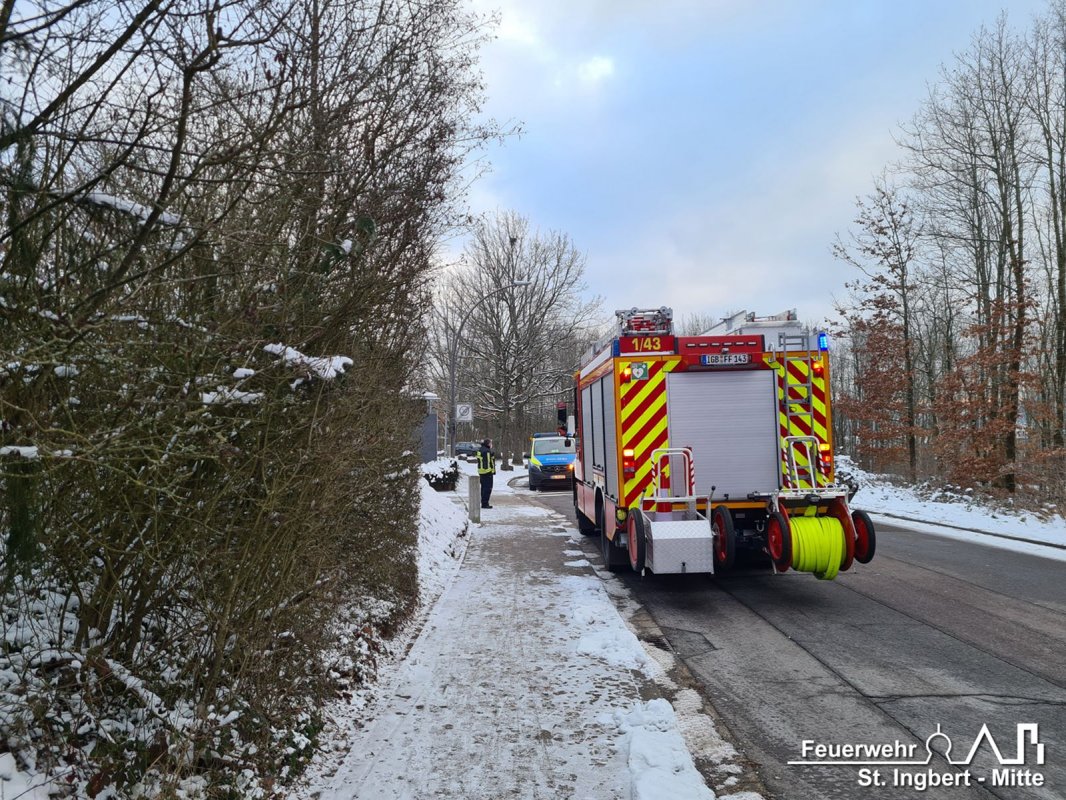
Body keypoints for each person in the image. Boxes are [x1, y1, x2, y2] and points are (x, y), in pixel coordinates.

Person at [477, 438, 496, 509]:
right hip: (487, 472)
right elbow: (488, 462)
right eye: (491, 443)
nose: (491, 445)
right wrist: (491, 471)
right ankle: (485, 503)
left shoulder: (480, 449)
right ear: (488, 444)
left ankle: (483, 502)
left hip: (481, 472)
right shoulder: (487, 451)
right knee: (488, 488)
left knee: (483, 488)